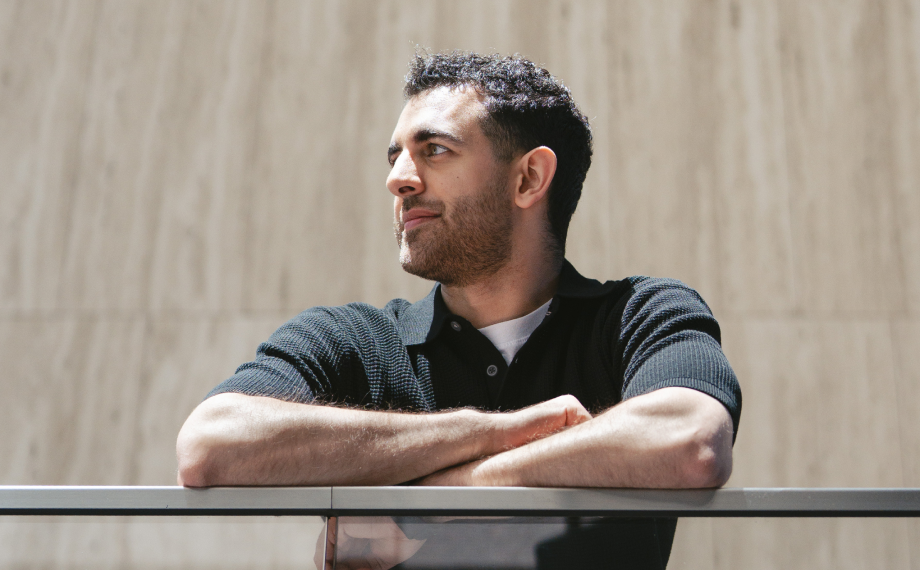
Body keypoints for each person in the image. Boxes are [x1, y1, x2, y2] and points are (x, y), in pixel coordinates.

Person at [176, 51, 741, 568]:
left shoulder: (640, 315)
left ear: (528, 178)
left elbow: (690, 442)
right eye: (396, 155)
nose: (398, 179)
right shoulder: (351, 339)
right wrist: (487, 432)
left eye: (435, 150)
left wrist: (429, 499)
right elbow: (211, 447)